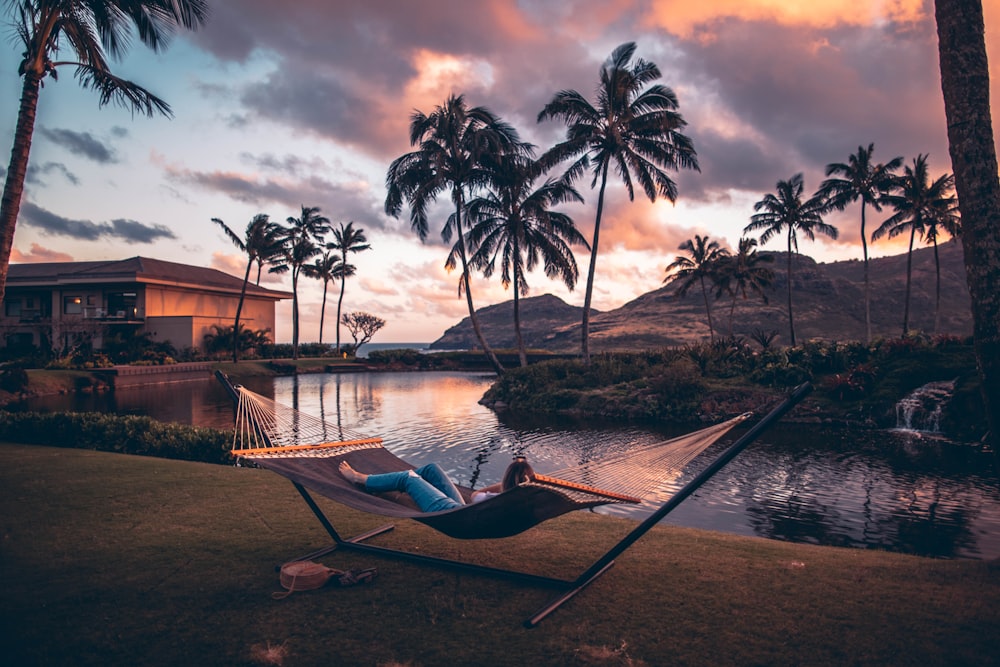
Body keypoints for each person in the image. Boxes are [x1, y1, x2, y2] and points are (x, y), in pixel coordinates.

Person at [339, 456, 535, 513]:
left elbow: (475, 495)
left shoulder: (500, 496)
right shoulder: (522, 500)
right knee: (431, 469)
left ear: (507, 478)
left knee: (409, 477)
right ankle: (384, 484)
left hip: (455, 516)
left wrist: (502, 485)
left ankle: (359, 478)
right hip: (463, 512)